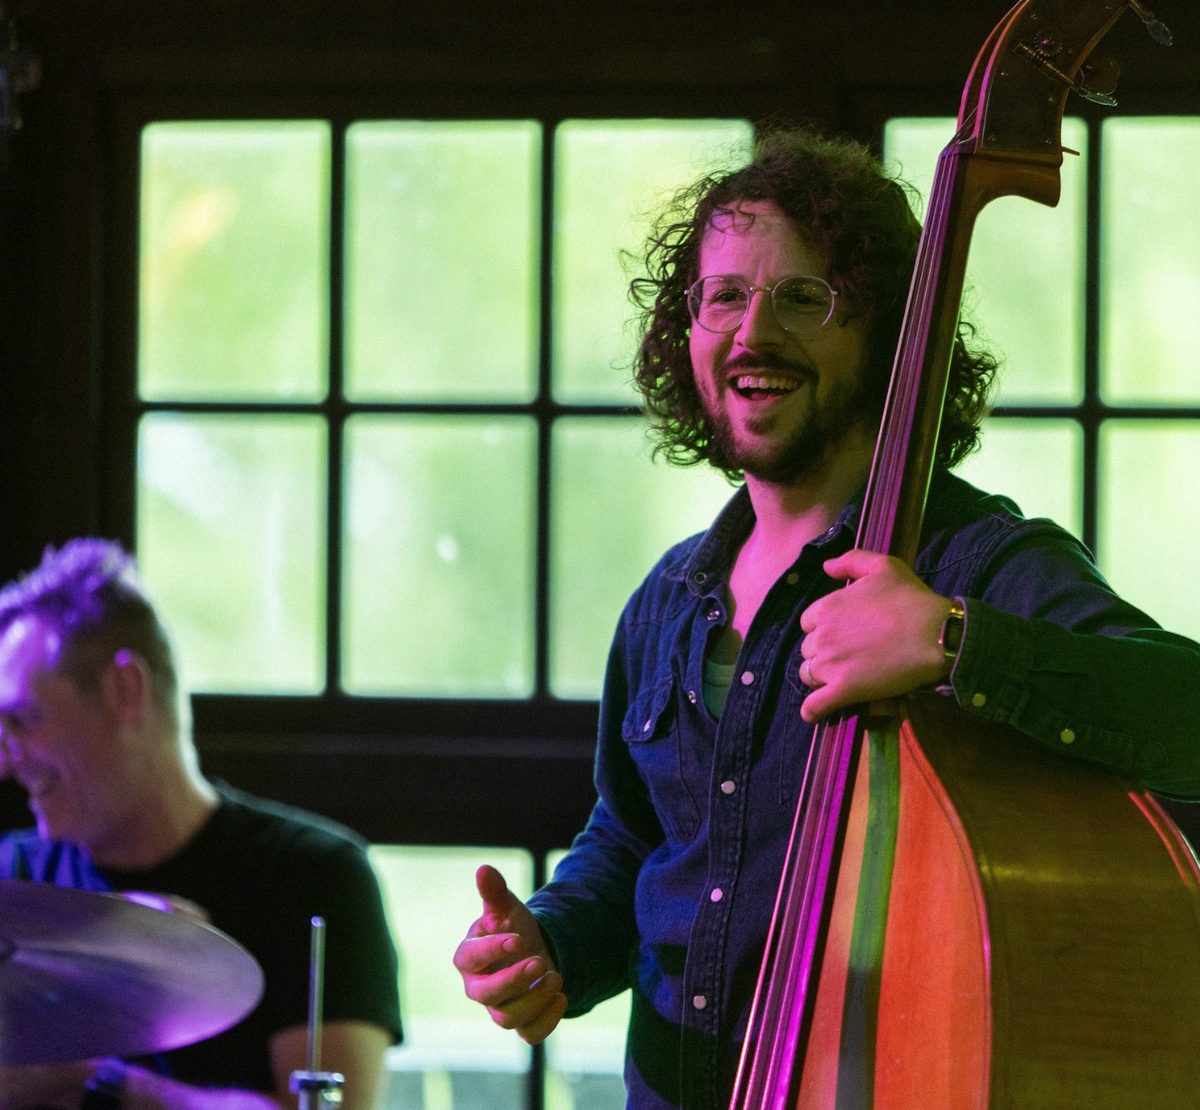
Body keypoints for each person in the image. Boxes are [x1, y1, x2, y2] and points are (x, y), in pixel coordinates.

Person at [452, 125, 1200, 1108]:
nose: (754, 335)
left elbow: (1185, 714)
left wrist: (951, 641)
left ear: (888, 337)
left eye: (803, 299)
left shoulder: (973, 564)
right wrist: (550, 941)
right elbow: (638, 843)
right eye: (724, 296)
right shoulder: (668, 600)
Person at [0, 538, 403, 1110]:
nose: (4, 758)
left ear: (124, 692)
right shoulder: (13, 877)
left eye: (24, 718)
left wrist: (98, 1082)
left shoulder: (315, 876)